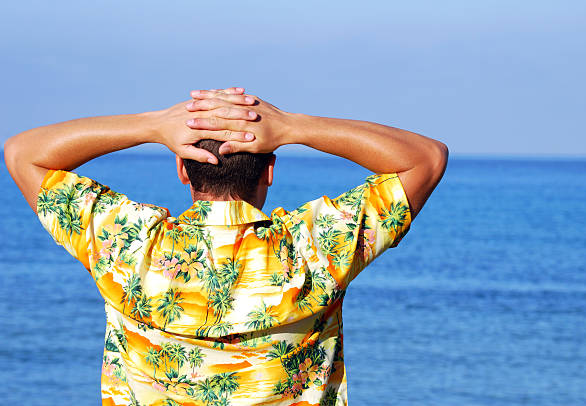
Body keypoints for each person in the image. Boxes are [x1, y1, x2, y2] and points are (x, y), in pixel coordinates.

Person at [4, 87, 447, 406]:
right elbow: (425, 158)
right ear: (269, 171)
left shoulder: (130, 243)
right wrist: (293, 126)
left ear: (182, 168)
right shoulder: (314, 246)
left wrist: (152, 126)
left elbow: (25, 152)